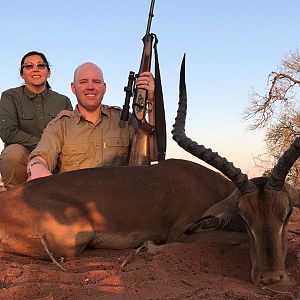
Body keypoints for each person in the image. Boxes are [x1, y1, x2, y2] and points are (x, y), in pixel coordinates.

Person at [27, 62, 154, 180]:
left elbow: (153, 152)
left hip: (118, 197)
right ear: (73, 88)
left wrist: (152, 100)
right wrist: (37, 168)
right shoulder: (60, 125)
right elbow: (40, 158)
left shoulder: (125, 120)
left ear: (104, 87)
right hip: (76, 200)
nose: (90, 87)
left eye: (96, 82)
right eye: (83, 82)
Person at [0, 51, 73, 190]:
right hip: (24, 156)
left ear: (48, 72)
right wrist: (44, 146)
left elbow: (71, 132)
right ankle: (16, 199)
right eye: (29, 66)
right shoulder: (10, 96)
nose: (35, 69)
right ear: (22, 74)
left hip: (55, 156)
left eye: (41, 65)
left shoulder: (63, 100)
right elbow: (7, 132)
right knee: (12, 154)